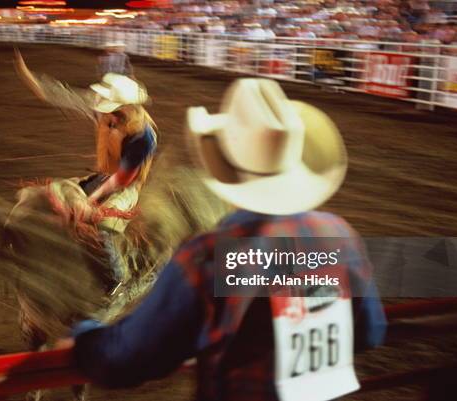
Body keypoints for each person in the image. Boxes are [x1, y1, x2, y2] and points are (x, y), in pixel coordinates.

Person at [68, 79, 387, 400]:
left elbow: (125, 358)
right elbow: (371, 332)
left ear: (225, 164)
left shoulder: (208, 259)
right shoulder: (340, 238)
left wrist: (84, 335)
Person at [14, 50, 157, 289]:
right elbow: (67, 96)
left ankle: (119, 281)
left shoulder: (144, 136)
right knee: (57, 195)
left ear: (126, 107)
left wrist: (90, 199)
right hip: (105, 176)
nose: (100, 109)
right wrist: (33, 80)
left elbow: (122, 180)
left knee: (103, 226)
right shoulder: (109, 112)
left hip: (125, 186)